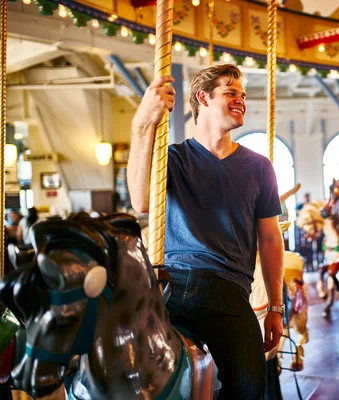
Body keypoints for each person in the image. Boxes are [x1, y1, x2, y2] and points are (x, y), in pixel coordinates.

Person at [127, 64, 284, 399]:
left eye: (243, 95)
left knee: (249, 385)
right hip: (168, 281)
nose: (241, 100)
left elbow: (270, 239)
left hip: (225, 288)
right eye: (231, 93)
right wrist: (143, 123)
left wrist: (275, 306)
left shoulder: (258, 167)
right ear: (203, 98)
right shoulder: (172, 160)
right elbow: (140, 201)